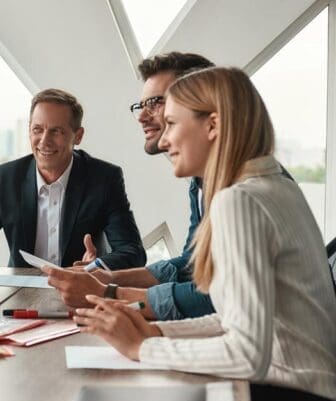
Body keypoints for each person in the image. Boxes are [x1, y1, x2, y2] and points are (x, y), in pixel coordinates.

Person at [74, 67, 336, 401]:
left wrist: (144, 347)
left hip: (287, 390)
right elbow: (233, 319)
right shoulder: (272, 186)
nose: (164, 139)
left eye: (171, 123)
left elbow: (248, 353)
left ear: (212, 125)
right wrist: (155, 330)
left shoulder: (238, 200)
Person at [44, 52, 217, 318]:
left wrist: (109, 293)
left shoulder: (241, 194)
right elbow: (191, 265)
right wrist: (109, 278)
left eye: (156, 103)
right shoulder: (201, 182)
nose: (142, 116)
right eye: (141, 106)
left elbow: (220, 299)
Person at [0, 89, 145, 270]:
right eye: (37, 130)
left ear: (78, 136)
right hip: (21, 298)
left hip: (82, 294)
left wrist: (94, 267)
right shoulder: (5, 180)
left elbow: (132, 252)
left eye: (56, 131)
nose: (44, 141)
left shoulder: (104, 179)